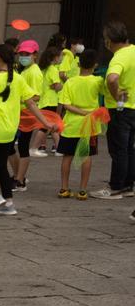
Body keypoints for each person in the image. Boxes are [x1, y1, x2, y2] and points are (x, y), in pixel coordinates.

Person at [0, 43, 49, 216]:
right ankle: (9, 203)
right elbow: (32, 103)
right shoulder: (19, 78)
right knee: (1, 165)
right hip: (9, 130)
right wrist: (45, 122)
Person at [93, 21, 135, 200]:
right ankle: (128, 185)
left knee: (118, 149)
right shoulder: (133, 50)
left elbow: (111, 78)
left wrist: (116, 93)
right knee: (129, 149)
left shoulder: (119, 57)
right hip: (133, 108)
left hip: (120, 109)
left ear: (109, 40)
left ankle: (116, 187)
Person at [58, 50, 105, 200]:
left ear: (78, 64)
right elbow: (107, 93)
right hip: (90, 125)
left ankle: (64, 189)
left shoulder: (70, 82)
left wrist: (81, 112)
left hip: (71, 125)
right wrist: (88, 113)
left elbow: (66, 105)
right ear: (95, 65)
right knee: (86, 156)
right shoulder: (98, 81)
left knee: (67, 156)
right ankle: (83, 190)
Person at [9, 40, 45, 190]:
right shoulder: (25, 70)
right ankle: (19, 176)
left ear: (35, 55)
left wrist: (19, 99)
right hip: (20, 112)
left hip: (27, 114)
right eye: (21, 54)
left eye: (27, 54)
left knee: (21, 146)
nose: (23, 56)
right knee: (11, 146)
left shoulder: (34, 72)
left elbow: (36, 96)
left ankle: (20, 180)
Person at [31, 43, 64, 157]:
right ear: (55, 57)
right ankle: (34, 148)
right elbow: (57, 86)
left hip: (44, 101)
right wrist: (63, 85)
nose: (61, 58)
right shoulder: (53, 69)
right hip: (51, 101)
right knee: (45, 127)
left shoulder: (43, 69)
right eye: (60, 56)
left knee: (53, 125)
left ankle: (59, 148)